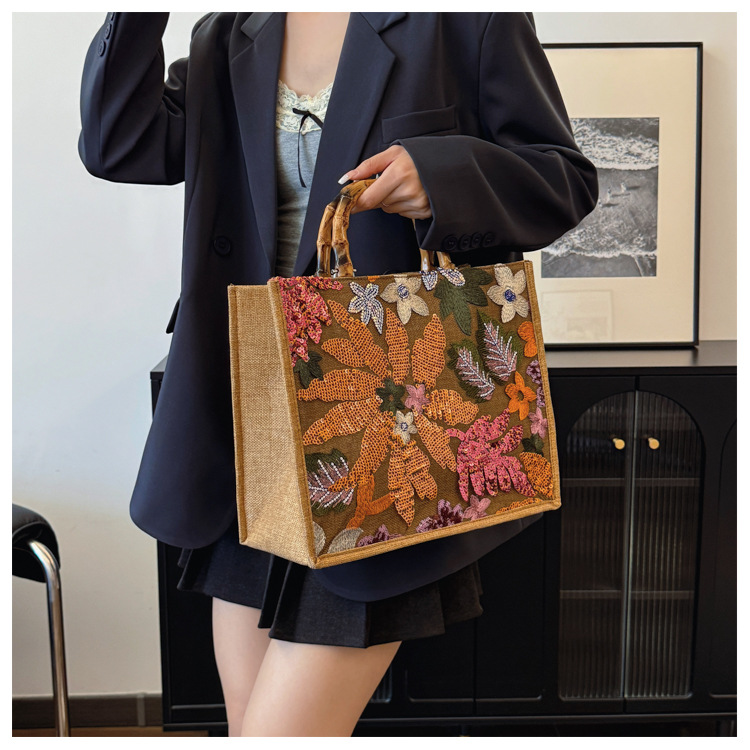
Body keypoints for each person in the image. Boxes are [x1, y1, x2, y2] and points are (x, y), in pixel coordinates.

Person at [78, 12, 597, 737]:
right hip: (247, 436)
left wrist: (441, 177)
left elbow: (564, 178)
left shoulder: (466, 20)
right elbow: (119, 144)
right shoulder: (229, 32)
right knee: (249, 728)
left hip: (382, 436)